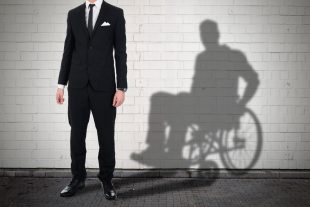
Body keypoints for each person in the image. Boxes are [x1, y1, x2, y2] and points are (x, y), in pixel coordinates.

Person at [55, 0, 127, 200]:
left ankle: (106, 180)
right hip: (77, 86)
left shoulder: (115, 13)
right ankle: (77, 179)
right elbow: (68, 51)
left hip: (104, 88)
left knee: (106, 136)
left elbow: (120, 53)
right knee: (77, 135)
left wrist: (121, 87)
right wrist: (61, 85)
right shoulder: (73, 14)